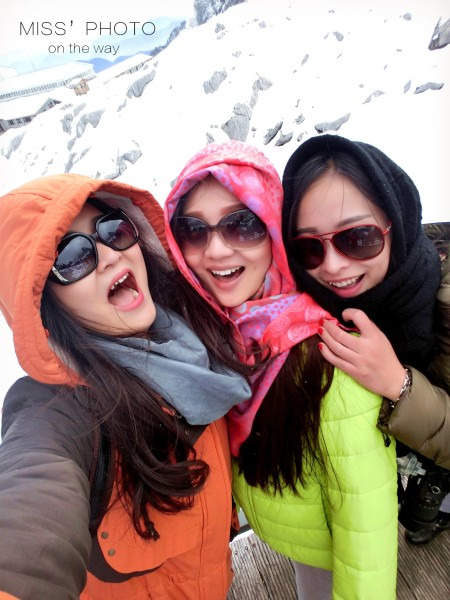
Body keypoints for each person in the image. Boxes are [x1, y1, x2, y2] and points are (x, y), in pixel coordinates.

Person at [0, 174, 254, 599]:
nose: (109, 256)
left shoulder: (192, 335)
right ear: (46, 305)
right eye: (73, 257)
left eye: (112, 230)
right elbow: (32, 509)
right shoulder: (59, 413)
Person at [164, 141, 399, 600]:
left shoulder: (329, 359)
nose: (216, 250)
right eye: (193, 230)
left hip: (330, 552)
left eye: (242, 224)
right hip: (294, 535)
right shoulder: (211, 334)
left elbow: (366, 529)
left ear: (273, 228)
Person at [281, 133, 450, 546]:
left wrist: (399, 384)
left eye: (357, 238)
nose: (332, 267)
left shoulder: (443, 297)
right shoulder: (303, 307)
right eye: (308, 248)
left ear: (397, 223)